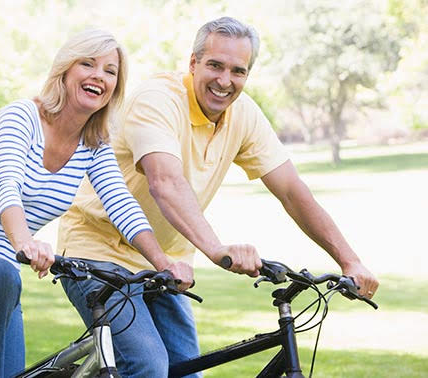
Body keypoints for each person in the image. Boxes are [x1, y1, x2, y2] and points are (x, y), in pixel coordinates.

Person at [56, 17, 379, 378]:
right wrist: (217, 249)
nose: (225, 81)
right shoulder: (158, 100)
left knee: (188, 371)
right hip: (99, 253)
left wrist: (349, 261)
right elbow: (165, 181)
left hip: (168, 264)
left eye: (237, 71)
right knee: (147, 364)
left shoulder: (244, 115)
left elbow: (292, 190)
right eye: (214, 65)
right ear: (193, 64)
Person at [0, 29, 190, 378]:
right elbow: (7, 184)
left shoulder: (93, 144)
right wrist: (24, 242)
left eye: (110, 71)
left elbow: (121, 203)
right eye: (88, 64)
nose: (99, 76)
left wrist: (163, 262)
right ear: (64, 71)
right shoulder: (21, 118)